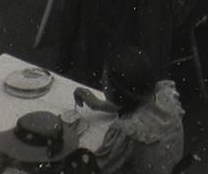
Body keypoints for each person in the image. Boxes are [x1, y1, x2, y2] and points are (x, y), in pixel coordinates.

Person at [71, 44, 185, 174]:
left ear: (119, 93)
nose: (101, 82)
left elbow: (99, 168)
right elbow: (140, 102)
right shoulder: (167, 95)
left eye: (105, 80)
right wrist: (99, 104)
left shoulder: (126, 131)